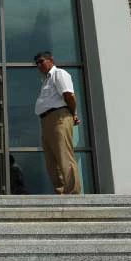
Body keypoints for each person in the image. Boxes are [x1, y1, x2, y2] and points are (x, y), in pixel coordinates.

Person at [33, 51, 82, 195]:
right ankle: (61, 191)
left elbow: (69, 95)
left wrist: (73, 114)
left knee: (64, 155)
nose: (39, 65)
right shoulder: (46, 81)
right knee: (51, 160)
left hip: (59, 117)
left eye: (41, 61)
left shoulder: (59, 74)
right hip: (46, 120)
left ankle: (73, 192)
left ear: (51, 60)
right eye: (37, 63)